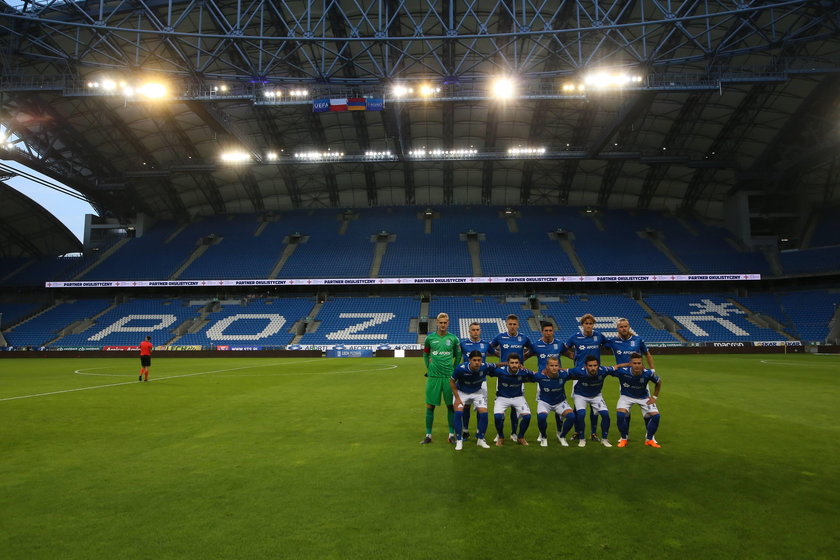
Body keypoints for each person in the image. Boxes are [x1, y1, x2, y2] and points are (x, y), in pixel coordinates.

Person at [606, 318, 656, 437]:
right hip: (624, 381)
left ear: (629, 327)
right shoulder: (613, 342)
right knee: (625, 411)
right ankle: (625, 435)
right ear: (617, 329)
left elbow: (647, 354)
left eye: (626, 326)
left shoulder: (638, 340)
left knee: (647, 411)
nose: (624, 329)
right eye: (621, 327)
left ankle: (650, 435)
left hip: (641, 379)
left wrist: (652, 369)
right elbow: (598, 344)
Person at [489, 314, 534, 442]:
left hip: (518, 375)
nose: (512, 326)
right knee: (501, 405)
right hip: (503, 375)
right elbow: (490, 348)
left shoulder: (523, 338)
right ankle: (500, 434)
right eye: (510, 324)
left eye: (514, 324)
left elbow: (532, 350)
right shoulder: (500, 337)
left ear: (518, 325)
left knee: (516, 405)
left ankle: (514, 433)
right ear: (506, 325)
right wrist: (499, 358)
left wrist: (523, 360)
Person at [564, 314, 607, 441]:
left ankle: (593, 433)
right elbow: (564, 349)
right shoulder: (575, 337)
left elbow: (608, 345)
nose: (588, 326)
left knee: (595, 406)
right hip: (579, 375)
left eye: (590, 323)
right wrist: (572, 356)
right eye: (586, 323)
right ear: (582, 325)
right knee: (578, 406)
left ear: (593, 325)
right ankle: (577, 432)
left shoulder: (599, 336)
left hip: (594, 374)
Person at [568, 355, 627, 447]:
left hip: (596, 396)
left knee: (605, 415)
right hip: (580, 395)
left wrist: (629, 364)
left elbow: (615, 367)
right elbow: (565, 371)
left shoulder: (603, 370)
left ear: (598, 366)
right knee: (581, 414)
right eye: (590, 366)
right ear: (585, 366)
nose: (593, 368)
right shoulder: (579, 371)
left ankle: (604, 439)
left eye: (595, 365)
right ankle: (582, 438)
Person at [421, 312, 462, 444]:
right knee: (430, 406)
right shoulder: (429, 339)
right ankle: (428, 435)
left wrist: (454, 371)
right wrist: (429, 367)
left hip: (448, 377)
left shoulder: (454, 339)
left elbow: (458, 355)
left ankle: (451, 435)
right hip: (433, 377)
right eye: (441, 322)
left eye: (445, 322)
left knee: (451, 406)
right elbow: (425, 355)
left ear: (448, 323)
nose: (443, 325)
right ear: (437, 323)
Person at [612, 353, 663, 448]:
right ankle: (623, 438)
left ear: (642, 363)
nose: (637, 365)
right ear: (630, 363)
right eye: (634, 363)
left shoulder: (647, 373)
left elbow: (659, 382)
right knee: (620, 415)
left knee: (656, 416)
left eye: (639, 363)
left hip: (643, 397)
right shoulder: (623, 371)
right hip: (626, 396)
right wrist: (617, 366)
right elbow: (607, 371)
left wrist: (654, 397)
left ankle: (649, 439)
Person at [450, 350, 494, 450]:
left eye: (479, 360)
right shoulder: (460, 369)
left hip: (477, 392)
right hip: (462, 392)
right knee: (458, 413)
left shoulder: (485, 366)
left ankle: (480, 439)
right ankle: (459, 440)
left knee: (484, 413)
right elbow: (452, 382)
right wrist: (457, 398)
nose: (477, 362)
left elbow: (497, 365)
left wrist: (509, 364)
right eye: (474, 360)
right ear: (469, 360)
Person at [488, 353, 534, 446]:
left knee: (527, 416)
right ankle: (501, 437)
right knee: (497, 417)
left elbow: (535, 376)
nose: (514, 365)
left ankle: (520, 437)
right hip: (502, 397)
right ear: (508, 363)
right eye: (512, 363)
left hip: (518, 397)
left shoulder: (523, 372)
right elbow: (487, 370)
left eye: (516, 363)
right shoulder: (500, 371)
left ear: (519, 364)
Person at [530, 357, 577, 447]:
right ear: (547, 366)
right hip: (544, 402)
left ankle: (562, 436)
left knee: (571, 417)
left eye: (556, 365)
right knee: (542, 417)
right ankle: (543, 437)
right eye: (551, 365)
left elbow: (577, 372)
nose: (554, 368)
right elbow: (527, 376)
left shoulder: (563, 375)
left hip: (560, 402)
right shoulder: (540, 376)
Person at [458, 322, 490, 441]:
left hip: (482, 381)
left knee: (480, 407)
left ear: (480, 331)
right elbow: (456, 356)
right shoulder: (463, 344)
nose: (475, 332)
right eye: (473, 330)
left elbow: (497, 353)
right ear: (469, 331)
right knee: (466, 406)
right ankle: (465, 430)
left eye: (477, 329)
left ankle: (479, 432)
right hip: (466, 381)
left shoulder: (485, 345)